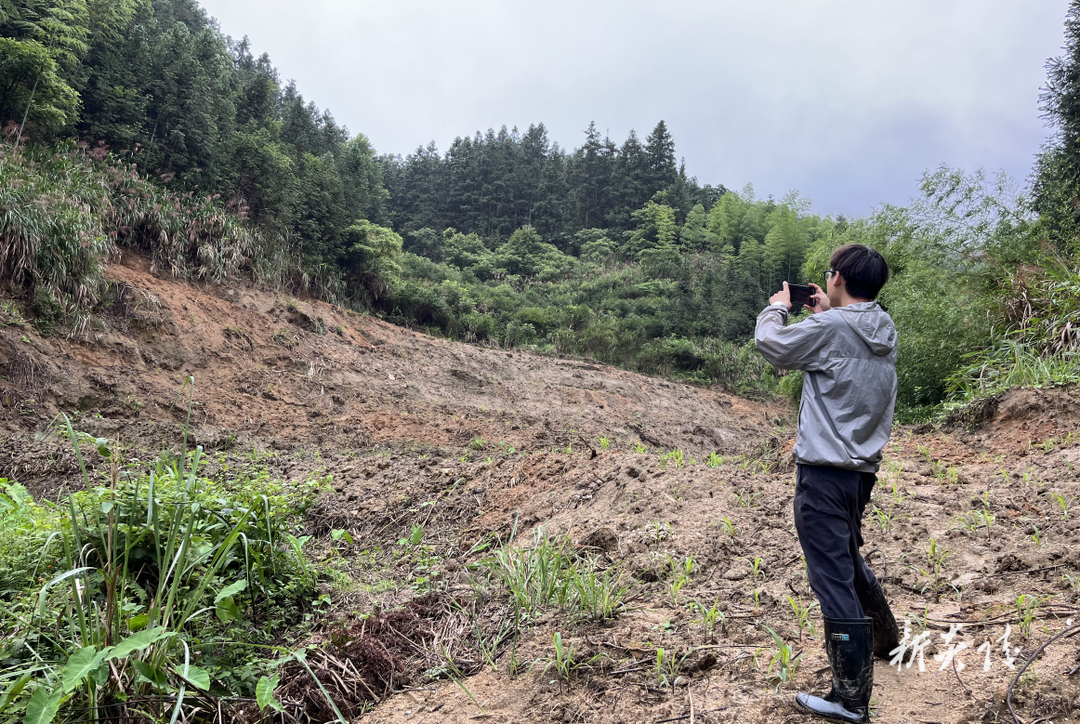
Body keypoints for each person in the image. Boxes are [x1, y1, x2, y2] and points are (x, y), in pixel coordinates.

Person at [754, 244, 902, 724]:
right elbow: (845, 345)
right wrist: (826, 310)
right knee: (847, 557)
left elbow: (772, 346)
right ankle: (885, 638)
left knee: (830, 576)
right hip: (861, 475)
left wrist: (777, 308)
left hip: (822, 475)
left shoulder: (832, 328)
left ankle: (850, 699)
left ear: (837, 276)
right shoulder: (885, 329)